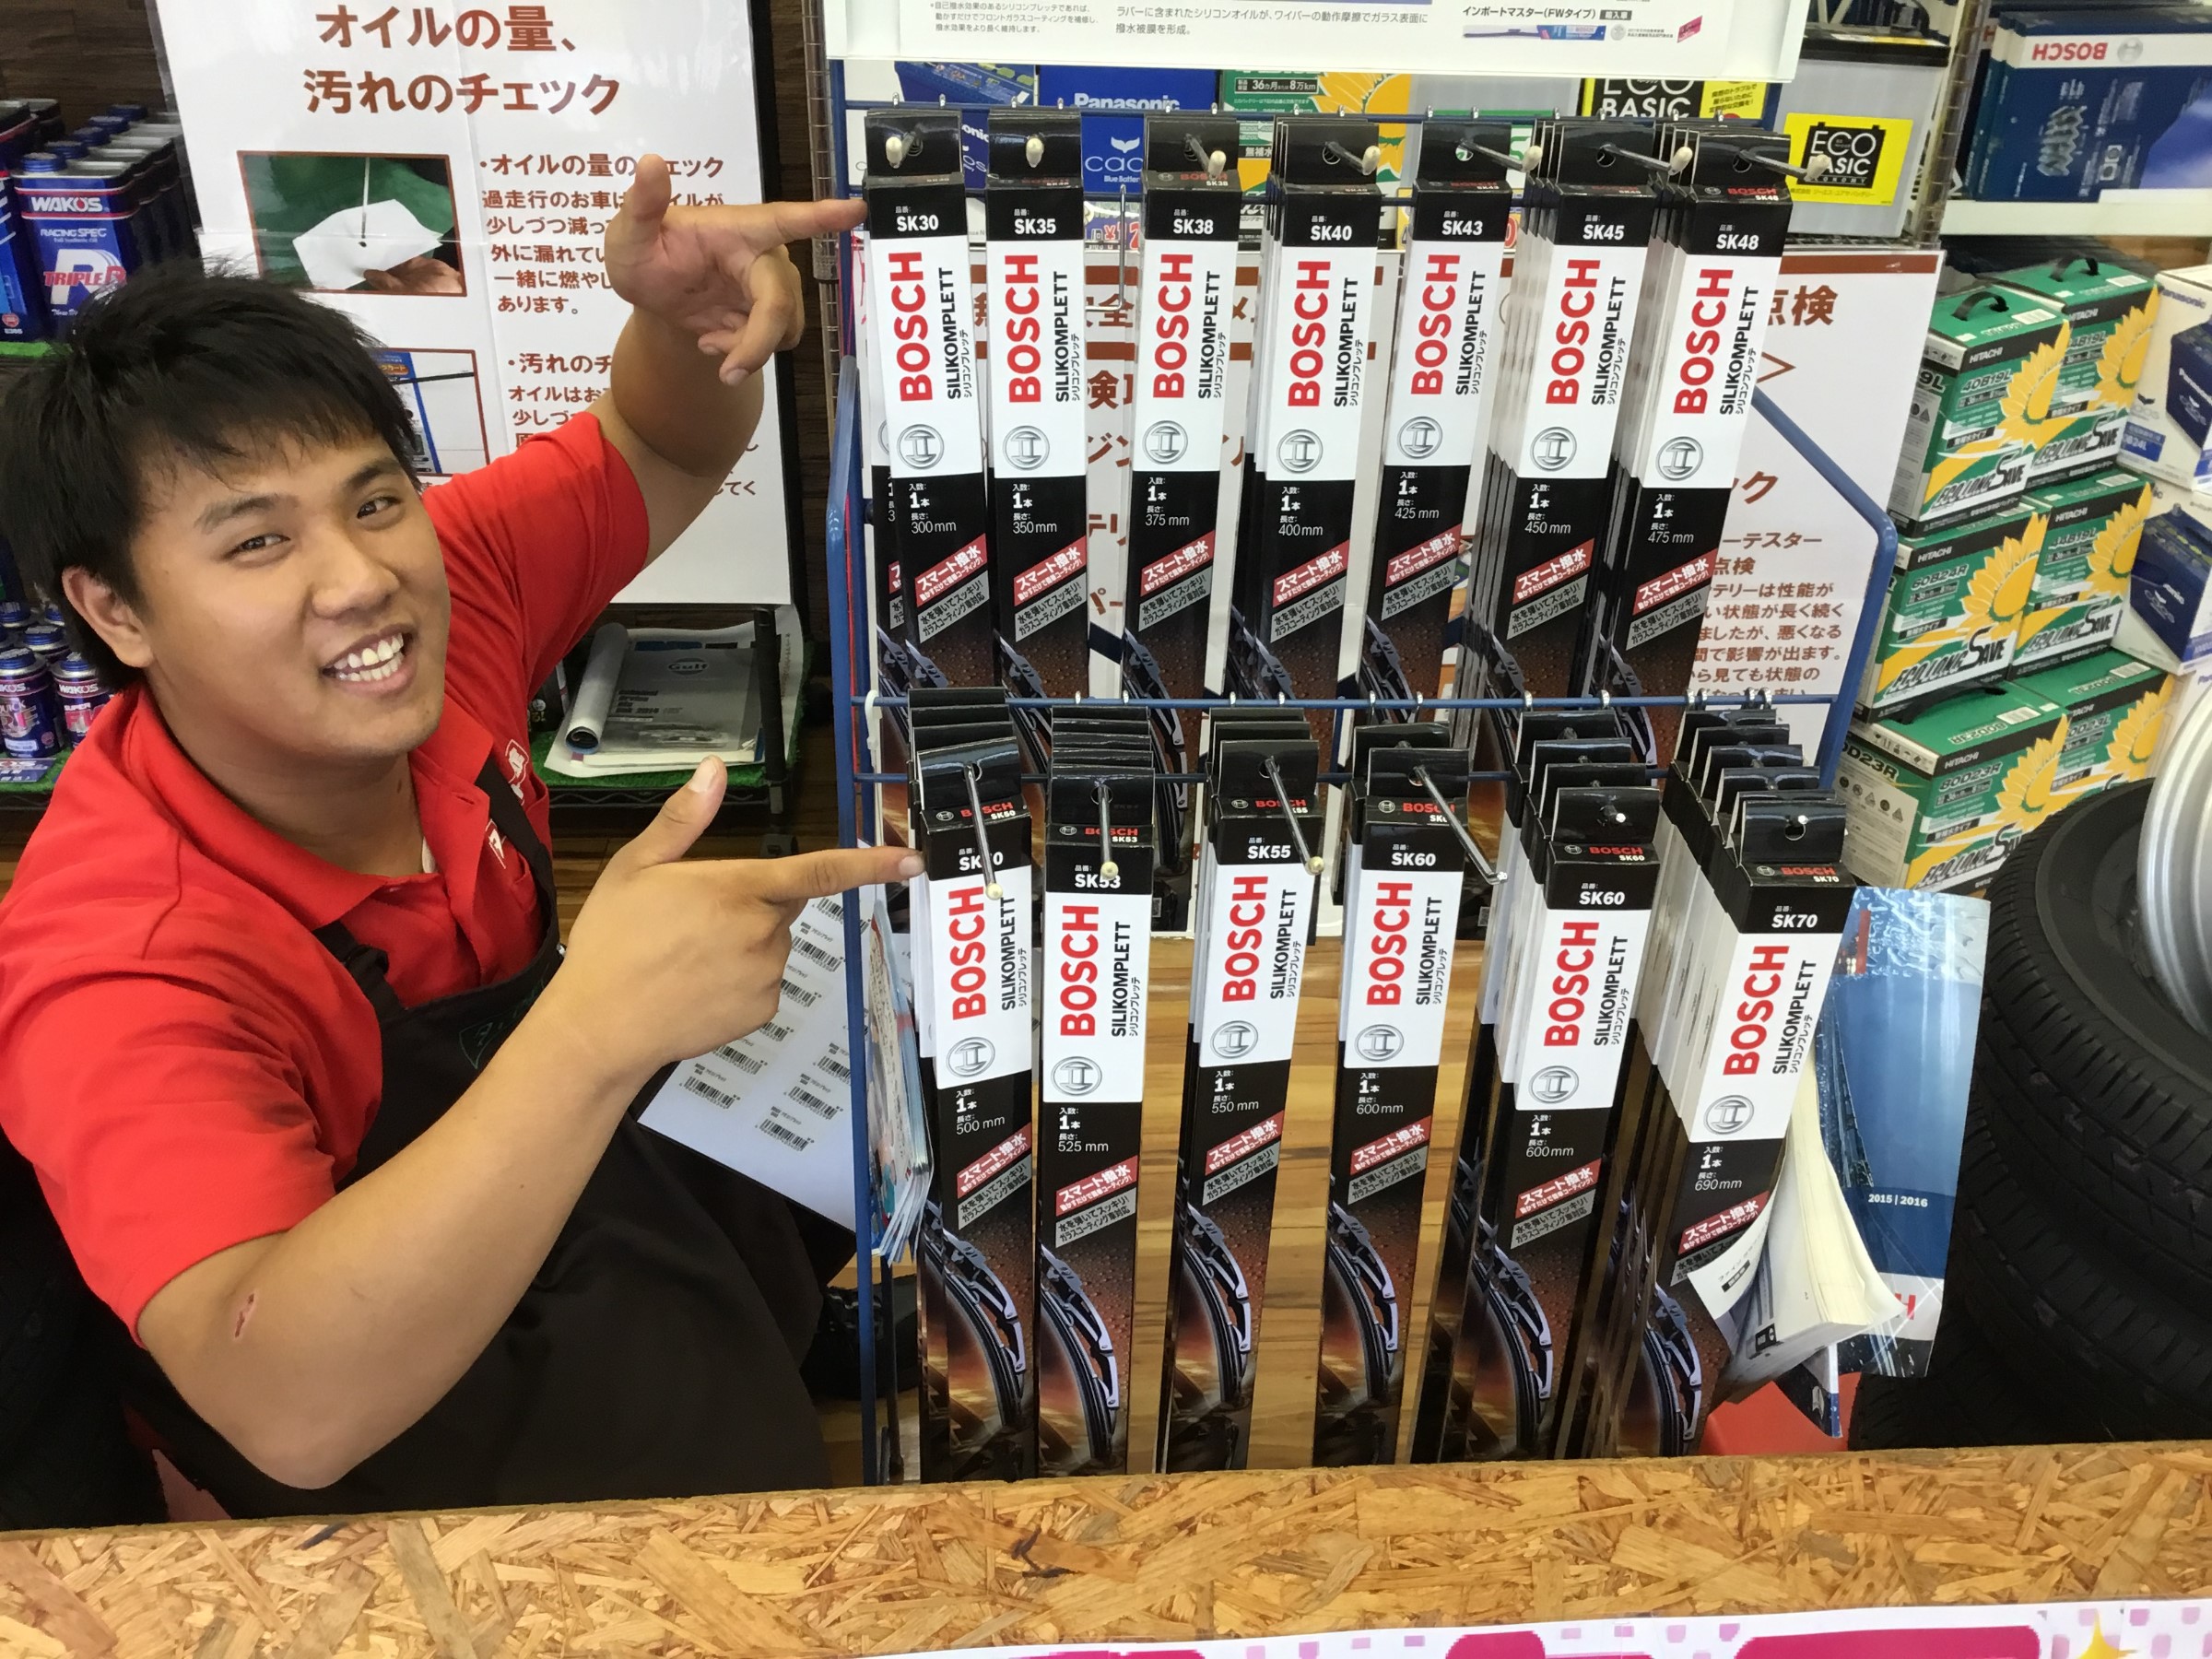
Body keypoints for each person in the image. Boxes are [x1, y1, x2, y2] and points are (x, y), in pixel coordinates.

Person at [0, 158, 915, 1518]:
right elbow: (286, 1404)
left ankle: (754, 1322)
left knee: (867, 1032)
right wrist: (592, 1029)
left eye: (375, 500)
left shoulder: (434, 593)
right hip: (341, 1353)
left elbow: (657, 446)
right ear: (117, 611)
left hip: (540, 1148)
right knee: (710, 1487)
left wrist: (684, 324)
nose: (362, 578)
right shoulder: (121, 964)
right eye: (255, 545)